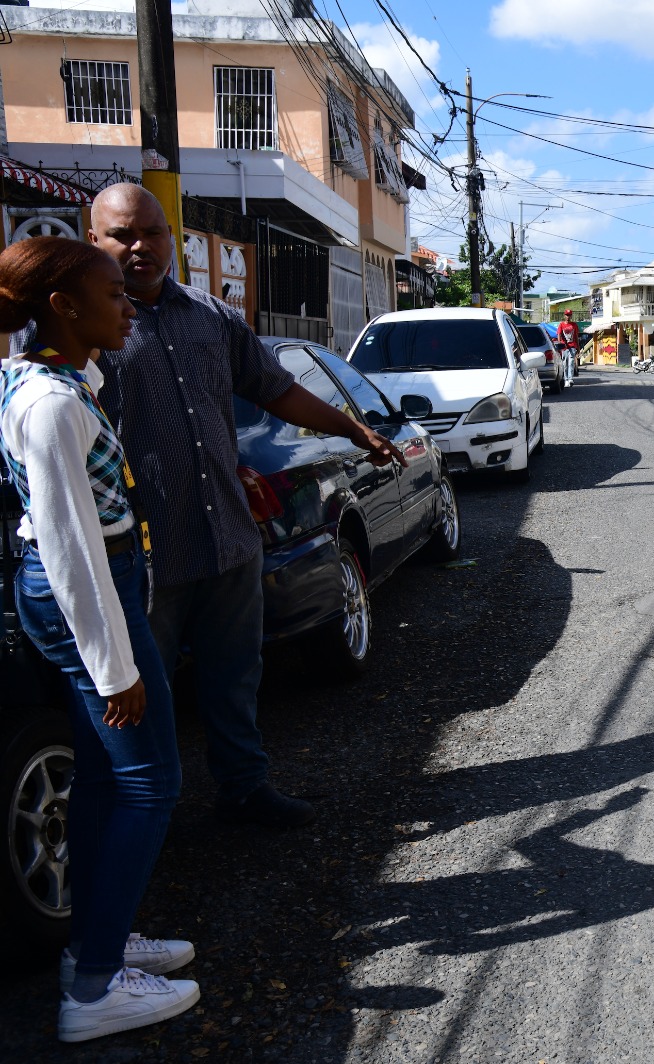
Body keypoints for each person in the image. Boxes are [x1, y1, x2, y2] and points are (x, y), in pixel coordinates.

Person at [17, 183, 406, 829]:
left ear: (173, 237)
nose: (139, 247)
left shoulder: (210, 315)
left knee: (234, 678)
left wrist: (351, 427)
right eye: (122, 235)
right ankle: (143, 823)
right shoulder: (81, 332)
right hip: (144, 557)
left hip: (226, 535)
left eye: (152, 232)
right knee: (143, 699)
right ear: (94, 243)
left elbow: (274, 387)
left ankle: (244, 790)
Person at [0, 236, 199, 1042]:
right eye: (114, 294)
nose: (129, 306)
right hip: (86, 590)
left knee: (102, 779)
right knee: (151, 782)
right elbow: (69, 544)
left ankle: (99, 940)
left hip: (92, 584)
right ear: (64, 307)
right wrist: (114, 666)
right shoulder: (47, 404)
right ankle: (92, 992)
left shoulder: (54, 379)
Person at [556, 310, 580, 387]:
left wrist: (578, 348)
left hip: (572, 346)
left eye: (569, 315)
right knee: (565, 364)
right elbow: (559, 334)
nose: (568, 316)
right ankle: (566, 379)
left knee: (571, 362)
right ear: (564, 315)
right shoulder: (561, 325)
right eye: (566, 315)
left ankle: (570, 379)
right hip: (564, 347)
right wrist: (559, 343)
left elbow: (576, 336)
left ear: (571, 316)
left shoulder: (574, 325)